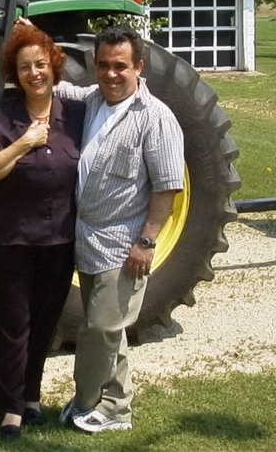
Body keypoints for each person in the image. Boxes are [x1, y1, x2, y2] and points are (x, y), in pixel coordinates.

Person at [55, 26, 184, 434]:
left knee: (100, 328)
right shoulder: (93, 100)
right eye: (104, 66)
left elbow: (167, 187)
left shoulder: (156, 118)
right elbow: (52, 86)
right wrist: (31, 43)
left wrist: (146, 242)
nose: (111, 74)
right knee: (113, 332)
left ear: (139, 67)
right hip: (88, 240)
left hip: (124, 244)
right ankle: (117, 407)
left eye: (120, 67)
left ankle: (86, 401)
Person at [0, 25, 85, 439]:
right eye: (25, 67)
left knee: (44, 322)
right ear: (14, 74)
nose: (34, 73)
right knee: (12, 323)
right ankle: (10, 406)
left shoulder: (75, 114)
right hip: (11, 238)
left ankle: (31, 395)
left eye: (41, 64)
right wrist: (24, 143)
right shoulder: (0, 117)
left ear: (54, 67)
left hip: (59, 237)